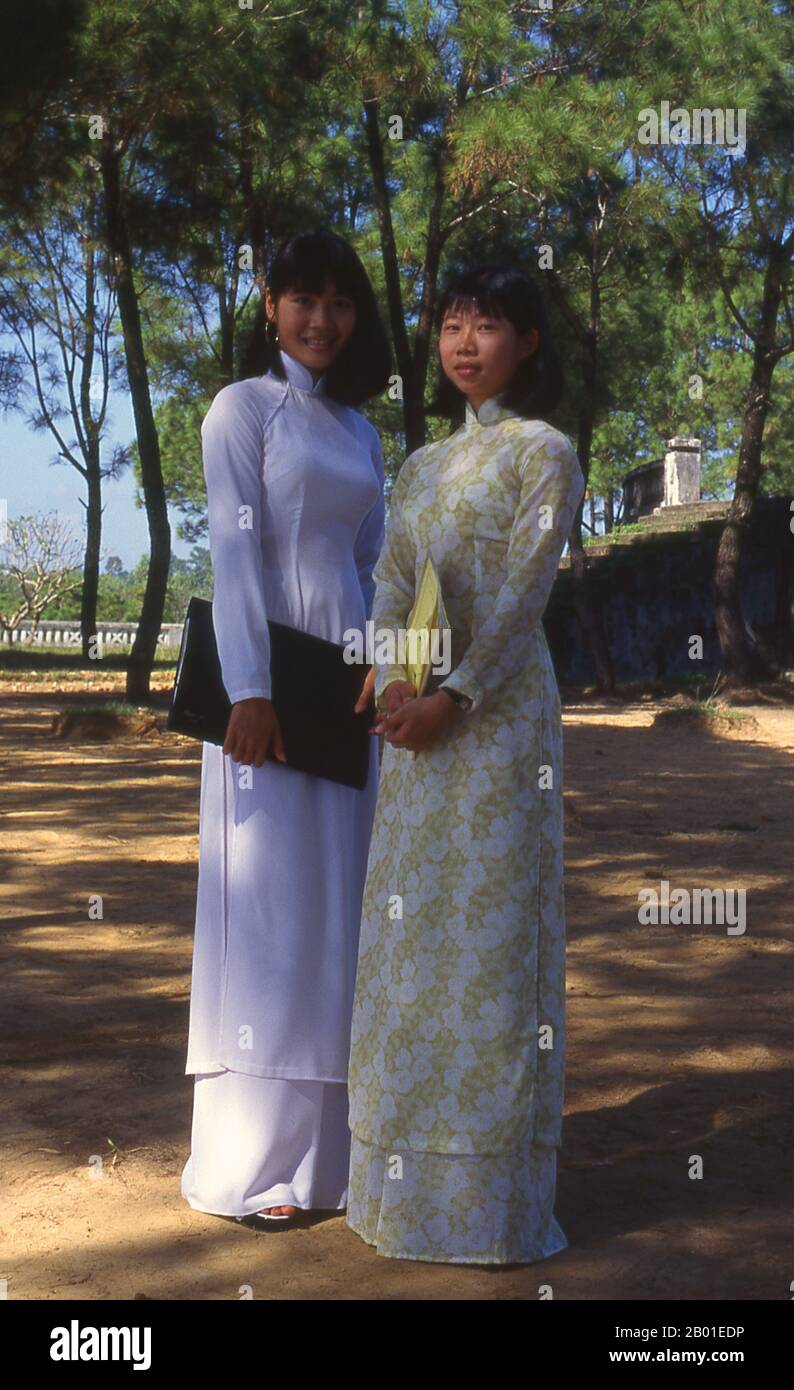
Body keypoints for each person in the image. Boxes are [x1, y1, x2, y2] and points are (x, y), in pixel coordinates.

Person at [347, 262, 585, 1263]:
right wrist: (388, 680)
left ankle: (489, 1208)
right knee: (408, 944)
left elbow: (524, 595)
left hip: (497, 731)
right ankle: (396, 1193)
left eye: (487, 324)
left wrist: (457, 697)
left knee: (492, 946)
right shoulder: (416, 467)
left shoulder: (546, 453)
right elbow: (393, 581)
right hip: (415, 732)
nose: (463, 342)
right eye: (450, 323)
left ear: (525, 342)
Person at [181, 227, 391, 1228]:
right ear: (268, 303)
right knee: (268, 908)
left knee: (337, 910)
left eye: (339, 302)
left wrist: (391, 672)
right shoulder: (241, 410)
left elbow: (377, 567)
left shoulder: (359, 430)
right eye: (302, 298)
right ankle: (252, 1163)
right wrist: (247, 692)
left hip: (350, 694)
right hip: (269, 690)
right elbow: (232, 555)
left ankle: (332, 1162)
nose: (321, 318)